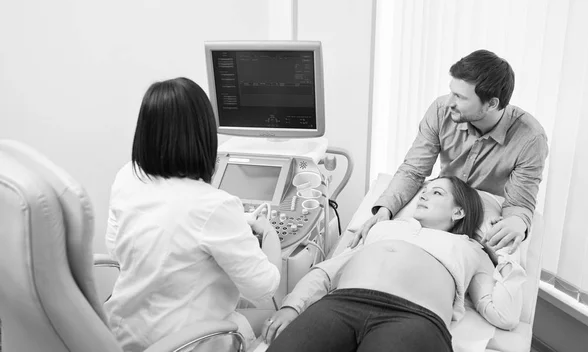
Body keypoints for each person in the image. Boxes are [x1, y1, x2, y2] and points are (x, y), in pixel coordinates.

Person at [104, 77, 281, 352]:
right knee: (278, 322)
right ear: (203, 136)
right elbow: (263, 289)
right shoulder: (215, 205)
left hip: (122, 335)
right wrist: (269, 235)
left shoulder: (128, 176)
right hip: (184, 343)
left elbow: (116, 250)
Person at [261, 176, 526, 352]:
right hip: (340, 304)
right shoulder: (382, 229)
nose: (423, 196)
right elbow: (326, 272)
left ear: (458, 212)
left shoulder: (470, 248)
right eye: (423, 191)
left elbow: (503, 314)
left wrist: (506, 258)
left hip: (413, 318)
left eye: (436, 193)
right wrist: (291, 307)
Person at [351, 49, 548, 253]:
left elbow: (518, 203)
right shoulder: (440, 111)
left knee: (507, 252)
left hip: (486, 207)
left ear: (491, 104)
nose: (449, 102)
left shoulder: (531, 138)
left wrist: (516, 222)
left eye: (460, 97)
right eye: (451, 92)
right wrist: (386, 209)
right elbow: (414, 170)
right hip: (442, 198)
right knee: (378, 234)